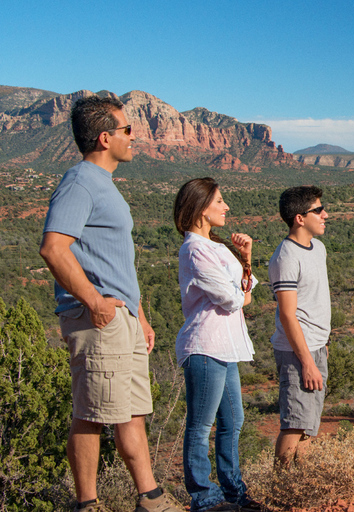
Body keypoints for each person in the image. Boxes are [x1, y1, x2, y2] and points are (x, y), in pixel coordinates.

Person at [39, 96, 183, 512]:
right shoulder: (80, 182)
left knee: (130, 412)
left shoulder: (102, 184)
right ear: (105, 138)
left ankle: (151, 499)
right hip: (97, 319)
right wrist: (96, 303)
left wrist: (138, 315)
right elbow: (53, 248)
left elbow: (112, 259)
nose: (134, 136)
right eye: (127, 130)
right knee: (91, 414)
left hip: (121, 319)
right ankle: (88, 505)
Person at [173, 178, 261, 512]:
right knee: (200, 426)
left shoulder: (218, 247)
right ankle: (204, 497)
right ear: (201, 206)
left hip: (226, 346)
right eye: (220, 201)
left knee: (233, 421)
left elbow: (246, 294)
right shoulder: (194, 249)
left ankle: (233, 492)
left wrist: (246, 256)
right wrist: (239, 288)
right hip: (205, 345)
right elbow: (230, 298)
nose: (226, 207)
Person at [268, 186, 331, 466]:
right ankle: (282, 490)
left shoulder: (319, 248)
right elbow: (287, 315)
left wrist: (323, 346)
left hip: (316, 348)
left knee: (308, 424)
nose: (324, 214)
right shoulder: (286, 257)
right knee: (294, 423)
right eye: (318, 210)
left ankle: (300, 485)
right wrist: (306, 362)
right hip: (297, 353)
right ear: (299, 218)